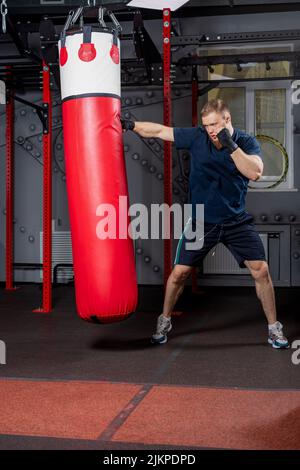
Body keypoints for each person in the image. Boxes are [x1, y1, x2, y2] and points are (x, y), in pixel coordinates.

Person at [121, 99, 289, 349]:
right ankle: (164, 321)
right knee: (179, 273)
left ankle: (274, 329)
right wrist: (130, 125)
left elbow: (254, 172)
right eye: (206, 125)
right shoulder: (198, 136)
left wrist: (231, 145)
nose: (210, 130)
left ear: (227, 120)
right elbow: (159, 131)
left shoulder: (245, 141)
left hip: (235, 221)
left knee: (261, 270)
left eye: (214, 124)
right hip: (202, 220)